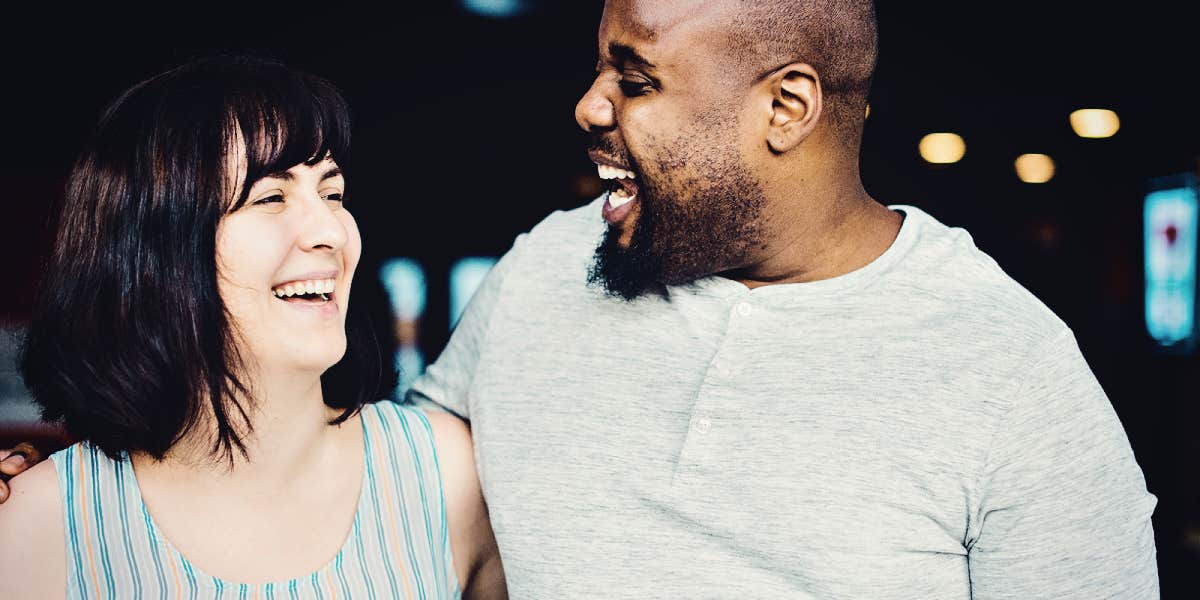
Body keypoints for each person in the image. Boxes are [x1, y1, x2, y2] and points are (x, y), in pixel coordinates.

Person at [4, 1, 1159, 598]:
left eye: (636, 77)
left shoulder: (1015, 381)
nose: (590, 107)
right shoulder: (552, 273)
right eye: (602, 64)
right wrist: (68, 478)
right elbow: (329, 463)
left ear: (787, 108)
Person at [0, 55, 504, 599]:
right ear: (154, 253)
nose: (329, 231)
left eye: (332, 194)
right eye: (271, 197)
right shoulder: (40, 525)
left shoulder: (446, 477)